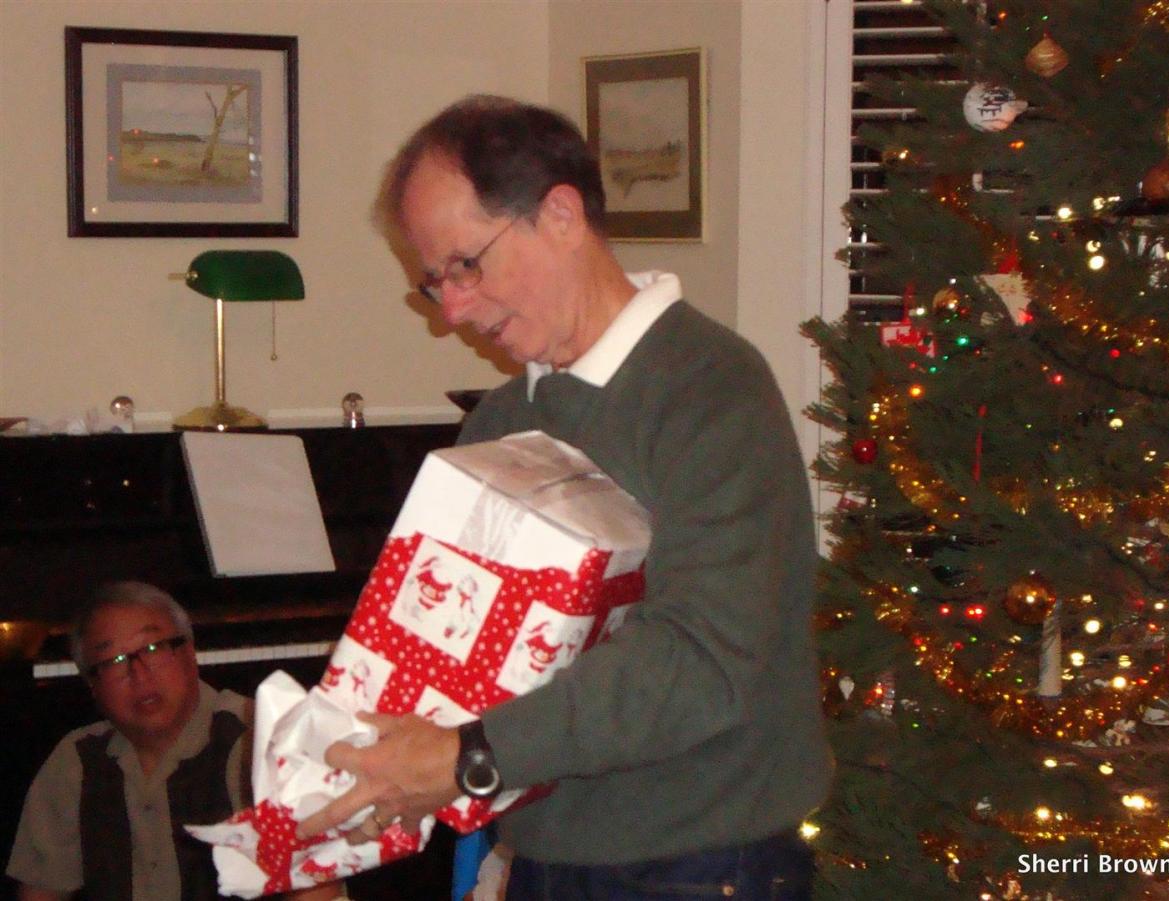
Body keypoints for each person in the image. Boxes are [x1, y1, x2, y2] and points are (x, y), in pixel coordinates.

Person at [298, 95, 833, 899]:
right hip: (544, 861)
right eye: (434, 283)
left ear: (560, 215)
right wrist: (356, 785)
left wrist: (468, 756)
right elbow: (448, 661)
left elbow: (700, 662)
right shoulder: (498, 421)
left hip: (702, 864)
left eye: (466, 265)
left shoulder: (712, 389)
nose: (451, 313)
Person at [7, 581, 343, 901]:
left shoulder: (259, 740)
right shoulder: (77, 760)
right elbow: (41, 891)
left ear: (190, 651)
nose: (139, 673)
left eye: (153, 648)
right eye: (113, 661)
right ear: (91, 685)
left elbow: (316, 886)